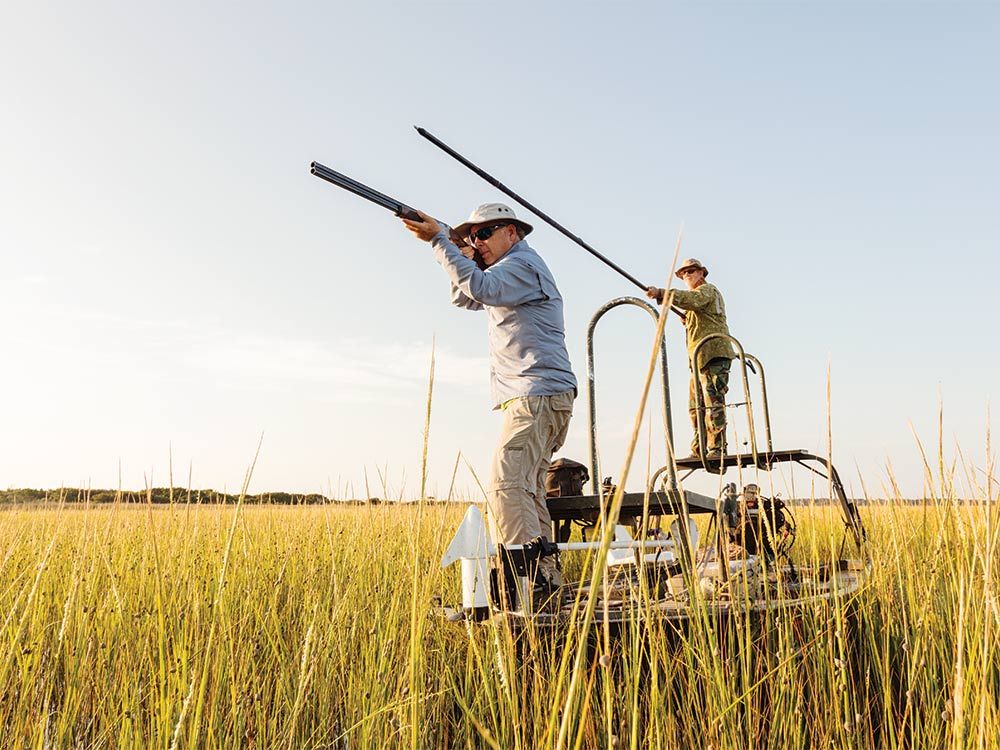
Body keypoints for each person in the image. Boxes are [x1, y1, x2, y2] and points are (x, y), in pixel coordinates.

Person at [402, 203, 577, 594]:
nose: (477, 241)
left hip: (536, 393)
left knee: (505, 483)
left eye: (483, 234)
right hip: (538, 394)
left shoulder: (521, 265)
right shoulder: (510, 271)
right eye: (472, 235)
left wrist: (439, 242)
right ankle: (543, 581)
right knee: (528, 487)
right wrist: (457, 253)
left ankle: (523, 581)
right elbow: (464, 297)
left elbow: (479, 288)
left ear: (511, 232)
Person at [646, 258, 735, 458]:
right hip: (699, 359)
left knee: (713, 403)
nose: (687, 275)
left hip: (713, 354)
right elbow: (695, 309)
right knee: (695, 406)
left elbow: (691, 299)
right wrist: (688, 320)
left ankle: (717, 449)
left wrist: (662, 293)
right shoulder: (698, 301)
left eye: (691, 271)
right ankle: (699, 449)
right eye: (684, 273)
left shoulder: (707, 291)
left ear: (701, 273)